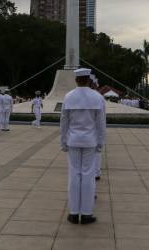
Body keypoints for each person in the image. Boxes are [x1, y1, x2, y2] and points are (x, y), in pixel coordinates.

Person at [60, 68, 106, 225]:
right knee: (88, 175)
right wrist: (101, 143)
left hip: (73, 140)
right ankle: (86, 213)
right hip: (90, 141)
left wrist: (63, 142)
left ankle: (73, 213)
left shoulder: (68, 96)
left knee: (74, 175)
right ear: (89, 80)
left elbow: (64, 122)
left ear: (76, 80)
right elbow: (101, 124)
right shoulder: (97, 97)